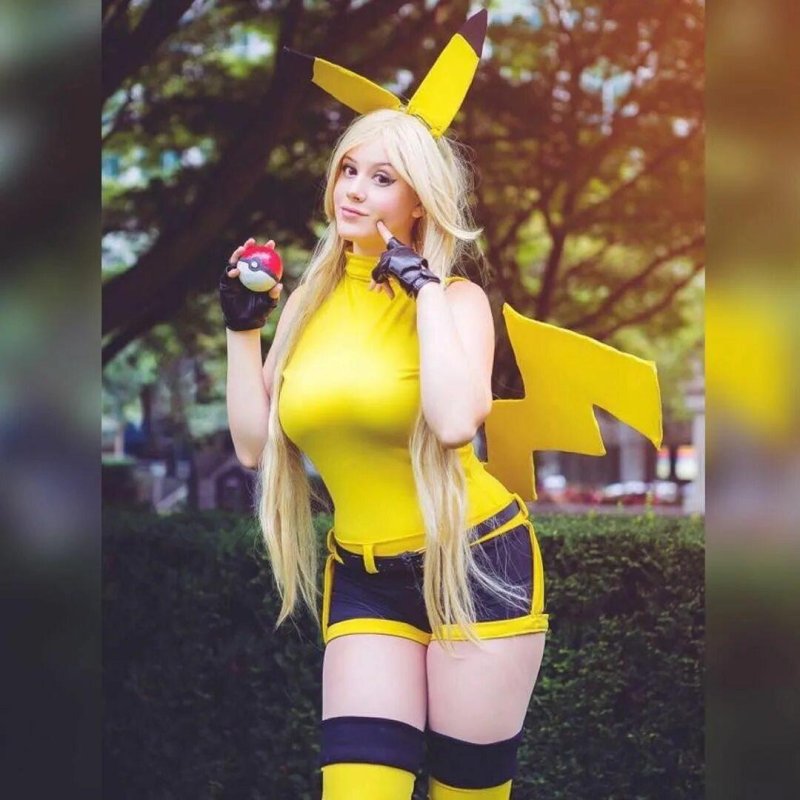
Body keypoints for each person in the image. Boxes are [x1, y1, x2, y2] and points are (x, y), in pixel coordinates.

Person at [219, 9, 659, 799]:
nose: (355, 189)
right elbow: (254, 448)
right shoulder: (306, 308)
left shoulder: (457, 302)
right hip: (363, 575)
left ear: (419, 201)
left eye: (382, 178)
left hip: (476, 562)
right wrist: (240, 330)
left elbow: (457, 423)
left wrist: (421, 287)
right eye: (349, 169)